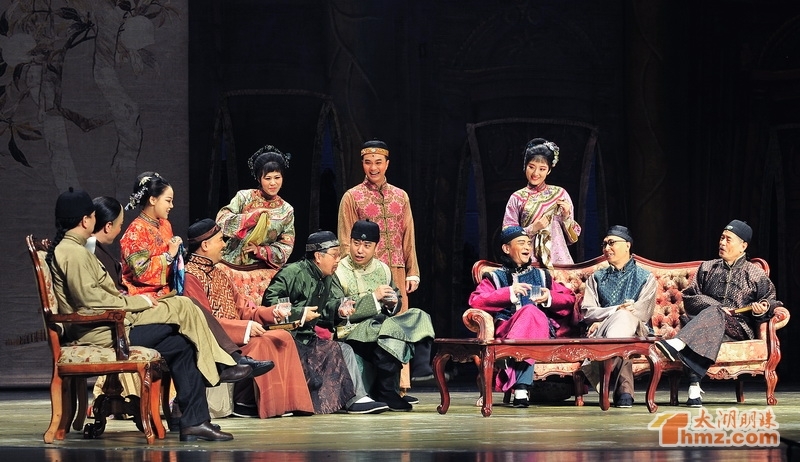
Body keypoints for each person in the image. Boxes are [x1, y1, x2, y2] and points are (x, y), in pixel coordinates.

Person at [47, 188, 255, 441]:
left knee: (182, 343)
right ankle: (221, 365)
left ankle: (195, 421)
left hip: (115, 323)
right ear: (85, 220)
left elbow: (98, 297)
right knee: (183, 307)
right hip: (105, 331)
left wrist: (135, 303)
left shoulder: (76, 250)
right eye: (92, 216)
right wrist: (138, 302)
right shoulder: (73, 252)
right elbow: (91, 302)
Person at [183, 218, 315, 418]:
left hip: (237, 334)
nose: (224, 245)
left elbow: (244, 309)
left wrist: (273, 312)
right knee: (260, 343)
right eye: (220, 240)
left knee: (283, 337)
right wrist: (244, 328)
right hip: (218, 340)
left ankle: (288, 404)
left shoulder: (219, 274)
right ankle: (245, 401)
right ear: (205, 245)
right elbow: (202, 320)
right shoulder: (190, 276)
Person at [655, 220, 781, 407]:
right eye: (722, 238)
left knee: (714, 314)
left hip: (737, 328)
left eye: (728, 239)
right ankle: (694, 389)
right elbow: (690, 297)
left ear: (743, 246)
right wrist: (718, 307)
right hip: (707, 326)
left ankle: (679, 343)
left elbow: (770, 302)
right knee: (712, 318)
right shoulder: (707, 267)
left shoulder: (755, 274)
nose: (722, 243)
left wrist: (761, 310)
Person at [262, 230, 389, 414]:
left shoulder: (327, 277)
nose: (338, 260)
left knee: (343, 349)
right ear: (318, 256)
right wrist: (300, 313)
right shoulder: (292, 273)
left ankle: (356, 398)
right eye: (334, 255)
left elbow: (324, 308)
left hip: (308, 339)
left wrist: (338, 309)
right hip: (289, 339)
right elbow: (270, 303)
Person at [337, 139, 423, 389]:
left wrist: (413, 271)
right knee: (369, 325)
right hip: (363, 271)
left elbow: (408, 234)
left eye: (378, 162)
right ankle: (372, 384)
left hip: (396, 269)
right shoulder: (352, 196)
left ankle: (399, 385)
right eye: (368, 162)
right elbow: (345, 238)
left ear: (387, 164)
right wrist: (346, 271)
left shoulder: (400, 196)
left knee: (399, 325)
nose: (373, 167)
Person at [468, 226, 577, 407]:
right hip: (508, 329)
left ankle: (518, 383)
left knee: (531, 311)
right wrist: (509, 292)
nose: (527, 247)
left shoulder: (542, 276)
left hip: (540, 331)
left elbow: (569, 299)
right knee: (528, 312)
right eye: (521, 243)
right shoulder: (495, 277)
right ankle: (521, 388)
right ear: (506, 248)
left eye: (528, 243)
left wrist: (548, 297)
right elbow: (476, 300)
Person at [333, 220, 436, 411]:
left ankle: (420, 366)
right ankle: (387, 392)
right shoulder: (338, 270)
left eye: (367, 245)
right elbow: (337, 310)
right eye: (356, 243)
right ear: (350, 242)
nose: (360, 250)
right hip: (353, 331)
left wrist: (392, 303)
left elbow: (395, 298)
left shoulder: (383, 269)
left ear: (376, 247)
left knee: (418, 315)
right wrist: (374, 298)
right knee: (389, 331)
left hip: (381, 327)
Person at [580, 225, 657, 408]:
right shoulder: (596, 277)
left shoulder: (645, 277)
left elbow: (644, 312)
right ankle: (624, 391)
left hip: (637, 329)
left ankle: (608, 383)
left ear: (627, 245)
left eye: (611, 243)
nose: (606, 248)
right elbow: (588, 311)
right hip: (604, 330)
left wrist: (620, 313)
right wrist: (616, 310)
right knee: (621, 323)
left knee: (624, 319)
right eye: (604, 244)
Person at [216, 145, 295, 307]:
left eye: (277, 177)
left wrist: (261, 251)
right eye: (268, 178)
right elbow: (221, 220)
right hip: (231, 263)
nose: (273, 183)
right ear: (259, 179)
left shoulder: (286, 210)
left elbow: (286, 245)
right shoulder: (244, 197)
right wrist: (249, 219)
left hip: (263, 269)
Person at [502, 138, 581, 266]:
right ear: (525, 166)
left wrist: (566, 217)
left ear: (549, 170)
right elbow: (507, 235)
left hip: (559, 262)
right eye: (531, 167)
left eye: (542, 169)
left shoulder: (560, 194)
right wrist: (533, 229)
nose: (535, 173)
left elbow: (573, 239)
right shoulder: (517, 198)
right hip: (528, 261)